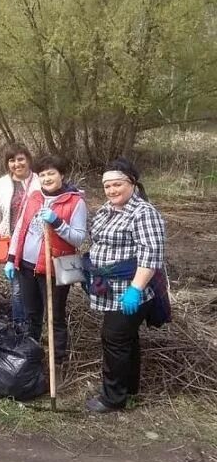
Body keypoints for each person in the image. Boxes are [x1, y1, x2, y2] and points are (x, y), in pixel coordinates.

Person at [84, 158, 169, 413]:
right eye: (107, 186)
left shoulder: (144, 213)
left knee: (114, 339)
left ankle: (112, 399)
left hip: (130, 290)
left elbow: (151, 254)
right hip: (109, 289)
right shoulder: (107, 210)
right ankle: (128, 389)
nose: (112, 190)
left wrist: (136, 289)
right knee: (126, 339)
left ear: (131, 183)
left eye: (117, 184)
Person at [4, 154, 87, 364]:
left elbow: (78, 238)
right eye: (42, 175)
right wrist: (11, 258)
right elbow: (21, 228)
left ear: (62, 175)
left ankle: (56, 363)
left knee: (55, 317)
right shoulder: (34, 197)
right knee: (32, 314)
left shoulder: (75, 202)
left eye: (51, 173)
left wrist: (57, 222)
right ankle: (31, 358)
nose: (47, 178)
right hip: (27, 266)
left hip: (57, 267)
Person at [0, 143, 40, 326]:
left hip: (35, 244)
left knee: (35, 288)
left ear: (28, 160)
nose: (17, 164)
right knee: (17, 289)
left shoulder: (40, 181)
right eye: (12, 160)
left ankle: (35, 326)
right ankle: (19, 327)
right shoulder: (1, 184)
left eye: (20, 159)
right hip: (12, 244)